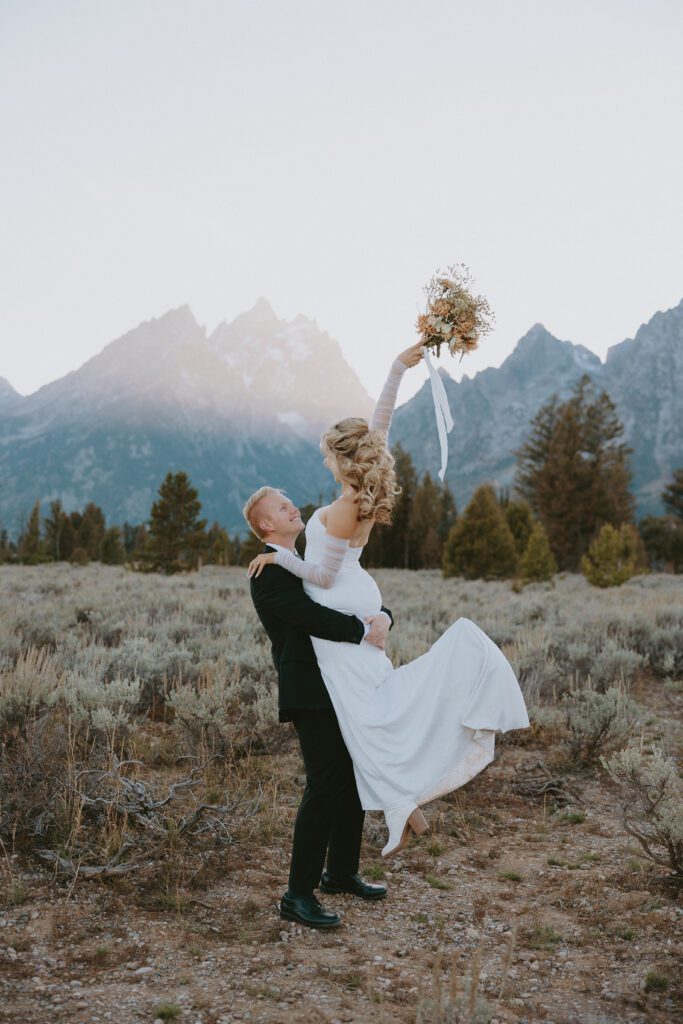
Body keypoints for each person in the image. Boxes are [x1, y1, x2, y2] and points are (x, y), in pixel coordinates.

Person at [247, 341, 530, 865]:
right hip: (356, 611)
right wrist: (398, 368)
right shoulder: (361, 495)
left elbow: (322, 576)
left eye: (329, 453)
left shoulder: (340, 509)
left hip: (347, 617)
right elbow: (381, 427)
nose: (325, 461)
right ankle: (400, 802)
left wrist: (281, 561)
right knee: (375, 716)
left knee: (372, 720)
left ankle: (399, 796)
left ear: (340, 458)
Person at [244, 485, 394, 929]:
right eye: (282, 507)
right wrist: (362, 629)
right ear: (266, 526)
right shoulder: (266, 573)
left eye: (290, 501)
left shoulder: (309, 563)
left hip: (346, 683)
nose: (293, 507)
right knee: (324, 785)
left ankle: (341, 873)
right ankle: (297, 894)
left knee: (350, 779)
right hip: (311, 690)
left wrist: (382, 615)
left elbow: (351, 590)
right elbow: (313, 618)